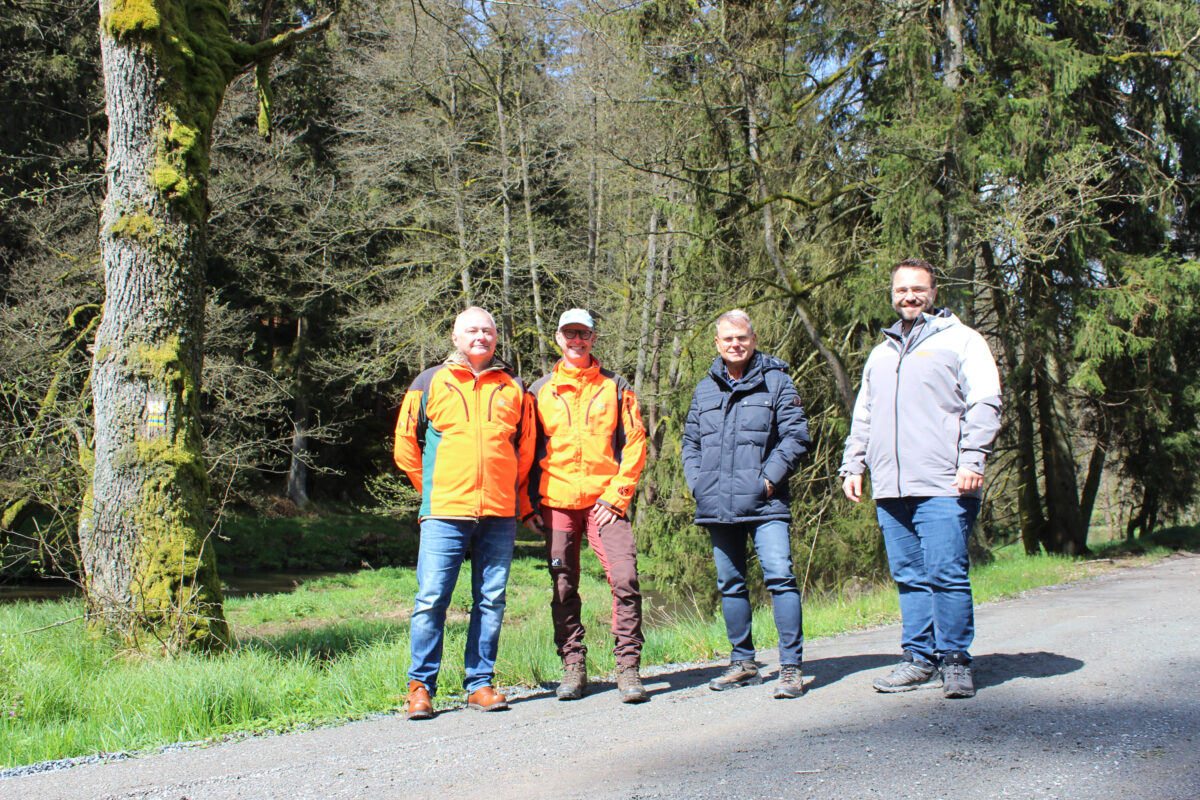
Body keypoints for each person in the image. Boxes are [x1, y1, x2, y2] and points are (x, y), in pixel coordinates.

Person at [839, 258, 1002, 699]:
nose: (909, 296)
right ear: (892, 294)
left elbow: (985, 404)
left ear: (934, 291)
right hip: (892, 487)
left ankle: (955, 661)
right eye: (901, 289)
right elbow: (864, 416)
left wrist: (972, 460)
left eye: (918, 288)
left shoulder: (962, 340)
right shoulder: (881, 352)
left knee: (946, 571)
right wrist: (853, 466)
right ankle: (918, 659)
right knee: (909, 575)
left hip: (945, 483)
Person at [393, 306, 535, 720]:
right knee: (432, 598)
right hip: (444, 512)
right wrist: (434, 492)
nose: (481, 337)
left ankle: (480, 684)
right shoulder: (428, 382)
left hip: (498, 513)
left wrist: (508, 493)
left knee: (491, 599)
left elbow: (523, 450)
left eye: (488, 331)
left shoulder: (514, 386)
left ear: (496, 338)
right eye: (472, 330)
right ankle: (420, 688)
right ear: (455, 338)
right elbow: (405, 446)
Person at [681, 309, 811, 699]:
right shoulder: (704, 389)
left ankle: (790, 668)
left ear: (753, 340)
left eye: (742, 338)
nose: (735, 344)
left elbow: (796, 436)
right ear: (717, 344)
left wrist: (768, 480)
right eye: (727, 339)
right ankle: (743, 663)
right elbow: (690, 443)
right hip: (717, 503)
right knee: (730, 584)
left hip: (764, 503)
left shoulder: (778, 382)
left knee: (780, 577)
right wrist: (697, 484)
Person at [522, 309, 650, 703]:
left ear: (593, 338)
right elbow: (525, 450)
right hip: (556, 501)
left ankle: (628, 668)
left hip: (604, 501)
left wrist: (617, 495)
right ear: (558, 338)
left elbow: (636, 443)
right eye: (569, 333)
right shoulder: (538, 390)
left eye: (584, 333)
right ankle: (573, 667)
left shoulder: (616, 386)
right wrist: (527, 505)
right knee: (563, 585)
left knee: (625, 578)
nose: (577, 339)